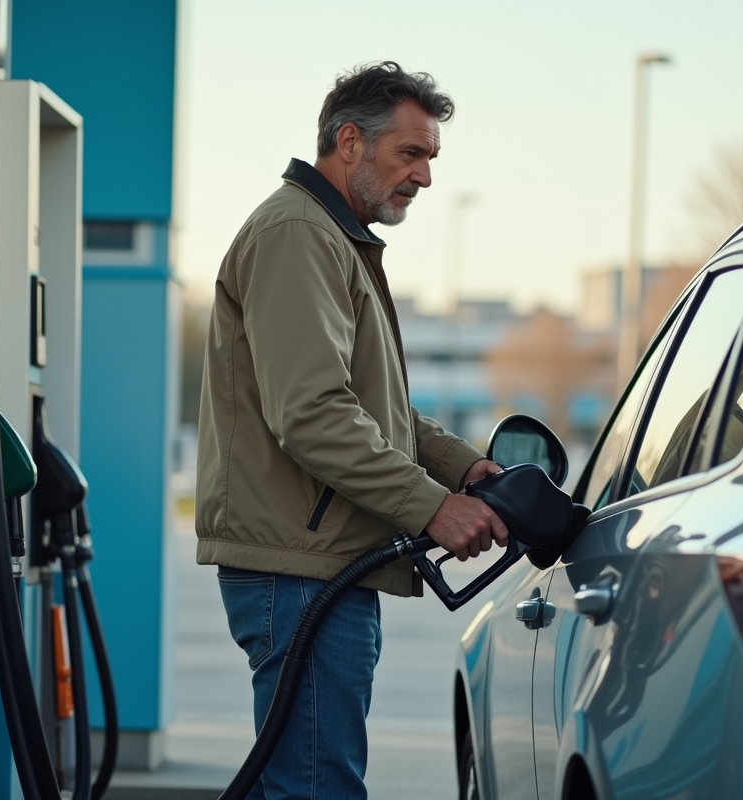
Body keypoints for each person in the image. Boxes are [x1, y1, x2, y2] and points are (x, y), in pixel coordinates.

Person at [194, 61, 508, 799]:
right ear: (348, 142)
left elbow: (374, 411)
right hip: (298, 569)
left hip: (319, 564)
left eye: (431, 158)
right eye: (412, 153)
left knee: (312, 779)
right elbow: (313, 414)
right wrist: (433, 506)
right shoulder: (299, 234)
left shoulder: (332, 238)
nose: (425, 177)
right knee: (314, 787)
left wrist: (464, 470)